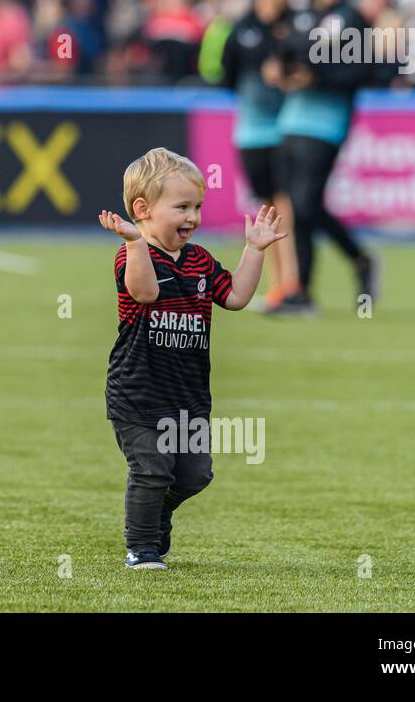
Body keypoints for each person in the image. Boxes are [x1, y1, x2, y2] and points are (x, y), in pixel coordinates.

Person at [98, 148, 285, 570]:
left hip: (188, 396)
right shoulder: (133, 254)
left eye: (197, 207)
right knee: (151, 470)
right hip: (138, 393)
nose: (193, 217)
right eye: (181, 207)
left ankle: (156, 510)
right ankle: (141, 547)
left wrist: (254, 250)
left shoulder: (200, 259)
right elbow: (145, 293)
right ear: (142, 210)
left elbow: (235, 297)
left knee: (195, 475)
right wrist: (133, 241)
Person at [267, 0, 378, 315]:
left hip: (326, 124)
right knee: (302, 206)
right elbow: (284, 52)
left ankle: (303, 292)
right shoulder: (303, 15)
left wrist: (318, 75)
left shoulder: (350, 18)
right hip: (291, 120)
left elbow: (363, 71)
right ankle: (357, 260)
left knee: (304, 204)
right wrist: (280, 70)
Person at [220, 0, 300, 307]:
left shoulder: (296, 26)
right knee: (268, 207)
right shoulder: (242, 30)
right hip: (252, 132)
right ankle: (276, 285)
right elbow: (226, 76)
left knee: (285, 203)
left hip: (286, 129)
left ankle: (293, 282)